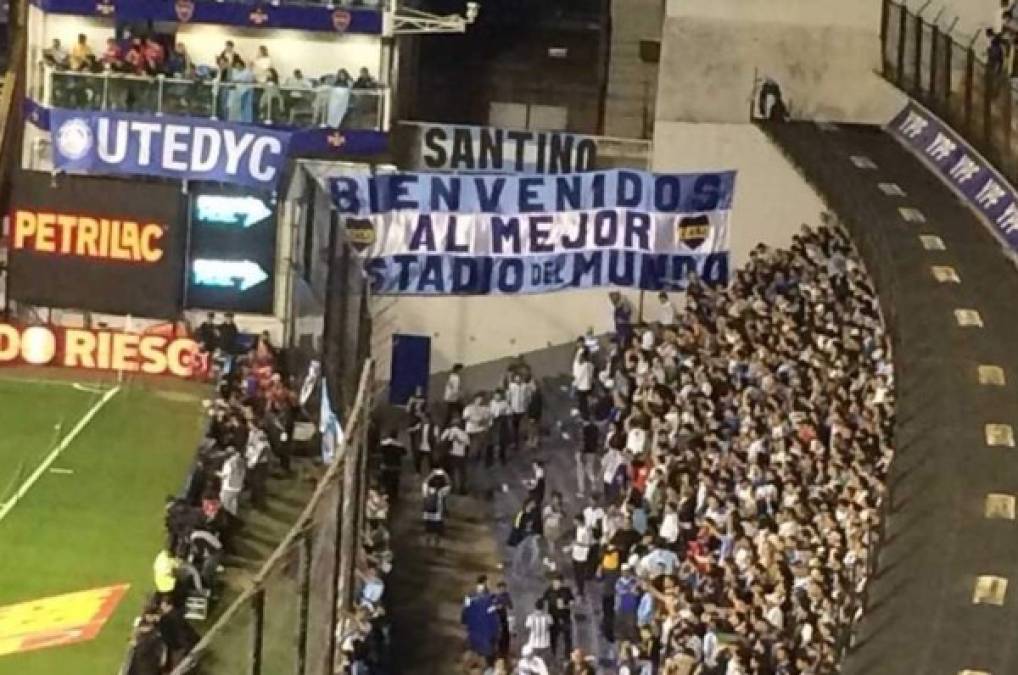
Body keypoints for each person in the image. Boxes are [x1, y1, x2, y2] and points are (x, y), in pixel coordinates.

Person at [462, 576, 501, 666]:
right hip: (486, 632)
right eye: (488, 583)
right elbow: (493, 616)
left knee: (474, 654)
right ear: (484, 584)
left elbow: (465, 613)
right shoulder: (490, 598)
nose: (489, 585)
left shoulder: (469, 596)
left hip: (474, 631)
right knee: (486, 658)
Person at [541, 574, 575, 660]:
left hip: (565, 618)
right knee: (553, 638)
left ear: (562, 583)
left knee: (567, 638)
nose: (556, 584)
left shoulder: (566, 591)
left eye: (558, 582)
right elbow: (543, 602)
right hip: (553, 619)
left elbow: (572, 603)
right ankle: (553, 654)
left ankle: (568, 656)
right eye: (555, 582)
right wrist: (545, 615)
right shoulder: (549, 591)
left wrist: (565, 606)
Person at [507, 497, 541, 573]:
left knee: (536, 552)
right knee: (518, 554)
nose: (534, 505)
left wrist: (536, 534)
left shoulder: (533, 514)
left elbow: (534, 526)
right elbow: (516, 527)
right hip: (521, 537)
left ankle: (529, 568)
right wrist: (516, 541)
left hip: (530, 536)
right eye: (532, 503)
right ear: (528, 504)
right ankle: (515, 569)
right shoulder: (521, 514)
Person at [421, 467, 451, 548]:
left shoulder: (426, 490)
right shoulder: (441, 491)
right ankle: (436, 545)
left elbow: (425, 482)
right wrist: (444, 474)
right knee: (438, 531)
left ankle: (427, 545)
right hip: (438, 515)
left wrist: (432, 474)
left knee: (428, 530)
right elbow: (449, 484)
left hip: (427, 514)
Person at [244, 420, 270, 510]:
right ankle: (253, 499)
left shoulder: (261, 435)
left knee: (259, 484)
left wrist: (253, 462)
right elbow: (250, 446)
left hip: (260, 463)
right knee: (252, 482)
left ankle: (261, 504)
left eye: (250, 424)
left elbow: (261, 450)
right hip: (252, 461)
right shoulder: (251, 433)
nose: (248, 425)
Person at [441, 415, 470, 494]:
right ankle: (462, 489)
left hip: (451, 454)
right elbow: (467, 444)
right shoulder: (464, 433)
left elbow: (442, 440)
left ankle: (452, 488)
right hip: (460, 455)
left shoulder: (448, 431)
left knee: (451, 473)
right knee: (461, 473)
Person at [379, 429, 406, 504]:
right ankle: (394, 497)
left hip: (386, 466)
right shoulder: (399, 445)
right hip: (395, 467)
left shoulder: (384, 444)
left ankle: (386, 496)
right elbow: (404, 452)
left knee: (385, 482)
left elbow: (379, 450)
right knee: (395, 483)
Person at [217, 447, 245, 517]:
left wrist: (215, 472)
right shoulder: (241, 461)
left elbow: (224, 476)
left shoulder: (228, 463)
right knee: (233, 503)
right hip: (238, 487)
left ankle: (226, 522)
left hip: (228, 488)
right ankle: (233, 519)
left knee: (225, 507)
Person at [523, 599, 553, 665]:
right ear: (543, 607)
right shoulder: (548, 616)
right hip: (545, 644)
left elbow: (527, 627)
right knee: (544, 664)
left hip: (533, 643)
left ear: (535, 607)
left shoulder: (530, 617)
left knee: (533, 664)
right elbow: (551, 625)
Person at [463, 393, 492, 461]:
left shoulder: (485, 408)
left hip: (480, 430)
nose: (480, 401)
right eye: (478, 399)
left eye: (481, 399)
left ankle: (476, 458)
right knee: (468, 444)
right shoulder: (469, 407)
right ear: (475, 399)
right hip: (470, 429)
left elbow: (488, 418)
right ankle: (466, 458)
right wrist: (474, 421)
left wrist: (484, 422)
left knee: (478, 445)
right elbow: (465, 417)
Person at [493, 581, 514, 660]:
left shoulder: (507, 595)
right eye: (501, 588)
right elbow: (490, 608)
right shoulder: (494, 596)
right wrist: (497, 607)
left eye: (504, 588)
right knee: (499, 635)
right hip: (496, 619)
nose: (503, 590)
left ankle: (505, 651)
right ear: (498, 589)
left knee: (506, 635)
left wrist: (507, 605)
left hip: (504, 618)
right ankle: (499, 652)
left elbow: (511, 606)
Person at [572, 348, 594, 418]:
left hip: (582, 388)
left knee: (582, 402)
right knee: (585, 401)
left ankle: (585, 415)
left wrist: (574, 385)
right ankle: (587, 412)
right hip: (589, 386)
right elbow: (591, 376)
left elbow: (578, 377)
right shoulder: (591, 365)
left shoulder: (582, 366)